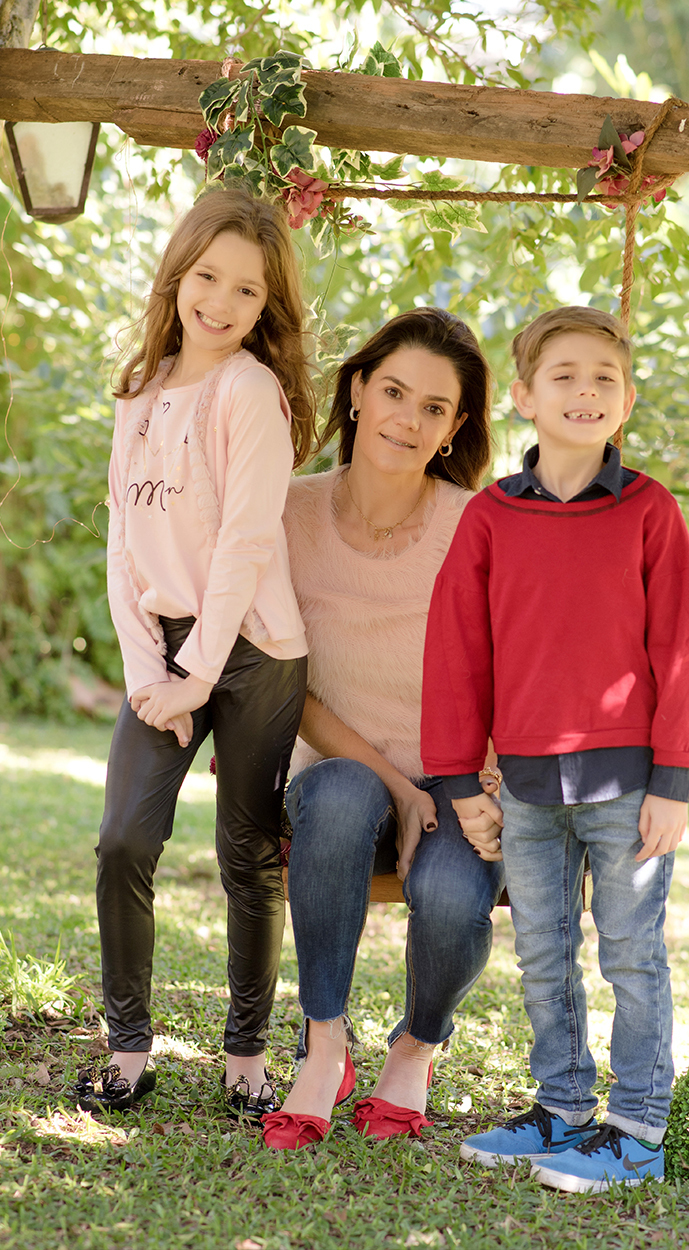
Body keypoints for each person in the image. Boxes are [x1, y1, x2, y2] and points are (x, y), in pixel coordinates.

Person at [421, 306, 689, 1192]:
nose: (585, 392)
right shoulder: (491, 516)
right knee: (544, 952)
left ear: (626, 399)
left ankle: (636, 1130)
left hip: (630, 787)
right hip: (527, 786)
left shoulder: (651, 511)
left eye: (604, 378)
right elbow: (456, 649)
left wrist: (674, 780)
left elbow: (681, 649)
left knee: (630, 952)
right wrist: (455, 779)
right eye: (565, 376)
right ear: (523, 397)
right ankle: (562, 1108)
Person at [76, 188, 314, 1118]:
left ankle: (247, 1053)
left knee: (247, 853)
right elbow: (123, 547)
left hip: (251, 650)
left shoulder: (250, 391)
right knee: (123, 838)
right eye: (207, 277)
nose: (221, 302)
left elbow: (245, 547)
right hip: (168, 651)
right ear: (178, 274)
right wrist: (150, 675)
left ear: (266, 308)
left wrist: (196, 679)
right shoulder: (139, 390)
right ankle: (129, 1042)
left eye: (247, 292)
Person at [260, 307, 506, 1151]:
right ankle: (325, 1046)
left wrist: (476, 784)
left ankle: (416, 1046)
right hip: (340, 764)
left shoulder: (479, 524)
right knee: (335, 800)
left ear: (454, 428)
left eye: (434, 407)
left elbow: (522, 664)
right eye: (394, 391)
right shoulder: (287, 515)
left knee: (448, 893)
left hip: (463, 770)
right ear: (359, 391)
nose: (408, 417)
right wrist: (397, 788)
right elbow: (281, 683)